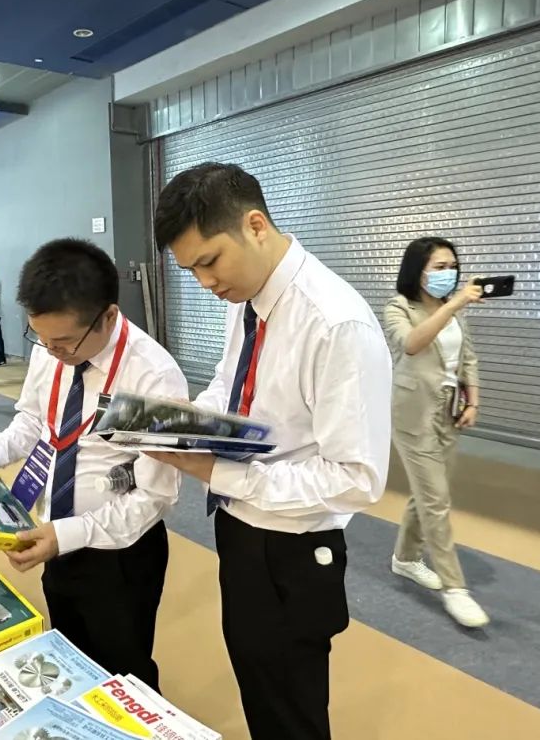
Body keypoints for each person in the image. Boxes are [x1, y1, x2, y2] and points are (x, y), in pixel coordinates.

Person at [151, 162, 392, 740]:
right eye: (191, 270)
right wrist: (184, 421)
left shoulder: (336, 324)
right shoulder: (247, 298)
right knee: (259, 687)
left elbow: (357, 478)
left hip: (292, 549)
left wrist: (221, 472)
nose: (205, 282)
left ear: (255, 226)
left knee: (290, 712)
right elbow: (232, 383)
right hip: (239, 527)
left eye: (209, 261)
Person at [0, 238, 187, 690]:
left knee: (125, 673)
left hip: (120, 552)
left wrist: (67, 536)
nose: (50, 351)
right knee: (70, 661)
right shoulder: (51, 347)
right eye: (40, 338)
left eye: (63, 342)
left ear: (108, 316)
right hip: (54, 536)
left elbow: (155, 495)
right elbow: (33, 418)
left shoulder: (153, 377)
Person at [384, 237, 490, 628]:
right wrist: (455, 304)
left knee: (428, 492)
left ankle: (405, 558)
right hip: (413, 414)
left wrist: (473, 402)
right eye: (439, 267)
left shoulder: (453, 310)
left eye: (452, 266)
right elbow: (412, 344)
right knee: (436, 500)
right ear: (418, 270)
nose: (449, 273)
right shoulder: (399, 308)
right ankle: (455, 588)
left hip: (448, 410)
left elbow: (468, 357)